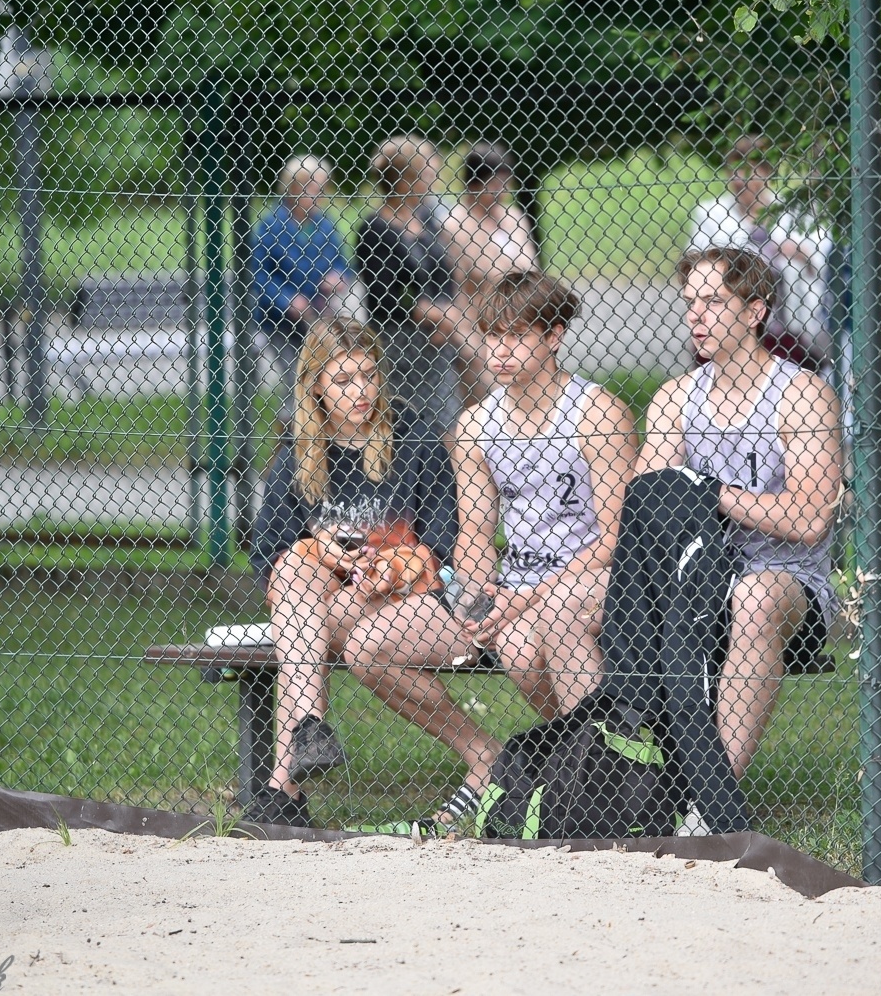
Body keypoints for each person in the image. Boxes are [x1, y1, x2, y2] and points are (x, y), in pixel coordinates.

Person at [344, 271, 638, 828]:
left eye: (516, 336)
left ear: (553, 337)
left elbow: (615, 537)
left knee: (527, 645)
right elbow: (475, 533)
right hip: (512, 589)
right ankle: (495, 759)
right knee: (367, 646)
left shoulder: (597, 413)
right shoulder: (476, 425)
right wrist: (476, 601)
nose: (499, 351)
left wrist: (520, 603)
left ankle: (602, 779)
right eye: (491, 336)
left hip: (589, 579)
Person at [636, 247, 843, 781]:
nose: (695, 317)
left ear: (754, 311)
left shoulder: (802, 395)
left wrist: (708, 493)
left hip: (787, 581)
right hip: (693, 576)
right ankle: (614, 779)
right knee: (573, 606)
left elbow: (809, 520)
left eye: (712, 301)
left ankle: (711, 797)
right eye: (689, 302)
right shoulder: (675, 398)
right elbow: (646, 503)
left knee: (752, 597)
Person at [247, 318, 458, 827]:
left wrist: (390, 564)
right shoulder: (299, 457)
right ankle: (307, 735)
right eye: (343, 381)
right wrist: (322, 549)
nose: (360, 391)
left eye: (368, 375)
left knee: (304, 596)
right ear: (315, 384)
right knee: (299, 562)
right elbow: (268, 558)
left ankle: (283, 782)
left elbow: (444, 546)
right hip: (326, 613)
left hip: (403, 606)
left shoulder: (417, 440)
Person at [690, 136, 834, 369]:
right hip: (728, 327)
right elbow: (696, 270)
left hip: (787, 329)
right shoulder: (710, 215)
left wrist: (799, 254)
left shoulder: (790, 212)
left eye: (749, 171)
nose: (739, 180)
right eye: (733, 171)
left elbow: (819, 268)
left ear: (766, 173)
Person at [354, 136, 459, 434]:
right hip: (399, 343)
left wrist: (448, 314)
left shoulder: (428, 219)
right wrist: (429, 313)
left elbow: (445, 275)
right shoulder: (375, 229)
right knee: (403, 426)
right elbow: (382, 296)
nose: (434, 181)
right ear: (404, 180)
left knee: (447, 423)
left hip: (437, 342)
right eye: (427, 174)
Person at [436, 141, 540, 406]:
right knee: (490, 412)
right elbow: (461, 285)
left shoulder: (514, 217)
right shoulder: (455, 225)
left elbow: (532, 270)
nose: (501, 191)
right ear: (473, 183)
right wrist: (470, 348)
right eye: (493, 184)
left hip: (524, 329)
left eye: (506, 183)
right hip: (481, 337)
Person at [251, 155, 353, 407]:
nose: (320, 196)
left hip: (320, 315)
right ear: (293, 187)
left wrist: (339, 276)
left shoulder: (325, 224)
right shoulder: (270, 226)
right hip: (280, 322)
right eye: (314, 188)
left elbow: (343, 262)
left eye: (323, 189)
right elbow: (259, 275)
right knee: (296, 381)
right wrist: (287, 300)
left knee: (325, 376)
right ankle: (290, 437)